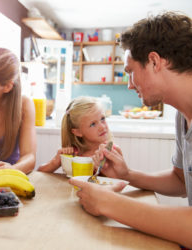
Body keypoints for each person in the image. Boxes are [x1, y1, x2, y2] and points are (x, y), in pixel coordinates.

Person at [69, 12, 192, 248]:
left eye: (130, 71)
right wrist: (128, 175)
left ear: (155, 62)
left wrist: (110, 203)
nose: (129, 84)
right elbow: (181, 181)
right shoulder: (182, 116)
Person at [38, 96, 111, 173]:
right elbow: (39, 172)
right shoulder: (73, 154)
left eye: (102, 119)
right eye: (93, 124)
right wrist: (56, 161)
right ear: (78, 132)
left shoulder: (111, 152)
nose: (102, 127)